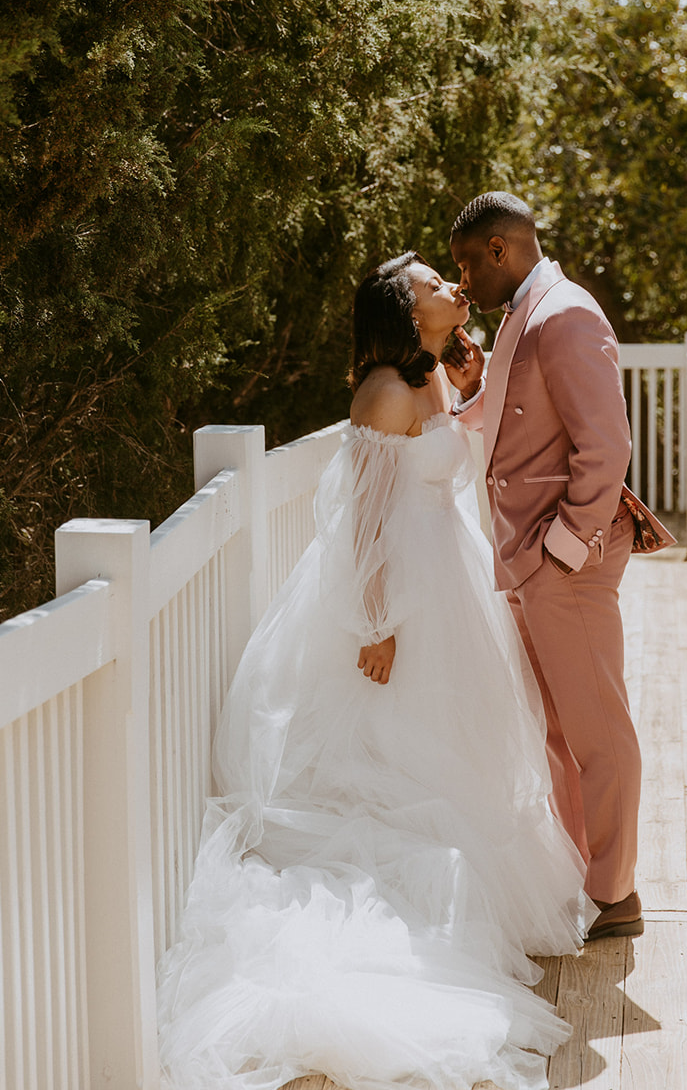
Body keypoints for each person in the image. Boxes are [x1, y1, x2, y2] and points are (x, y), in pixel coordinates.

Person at [157, 252, 593, 1090]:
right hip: (400, 591)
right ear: (403, 305)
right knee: (391, 750)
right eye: (434, 284)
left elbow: (452, 454)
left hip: (448, 578)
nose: (450, 289)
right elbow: (359, 518)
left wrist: (465, 383)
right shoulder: (383, 392)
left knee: (457, 739)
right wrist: (376, 621)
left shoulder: (430, 380)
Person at [445, 192, 644, 941]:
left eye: (468, 261)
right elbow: (511, 420)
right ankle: (583, 880)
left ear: (501, 249)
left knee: (598, 730)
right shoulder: (520, 319)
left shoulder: (564, 314)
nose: (462, 281)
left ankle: (614, 894)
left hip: (565, 559)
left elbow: (605, 447)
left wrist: (561, 550)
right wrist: (471, 380)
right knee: (561, 732)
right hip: (529, 557)